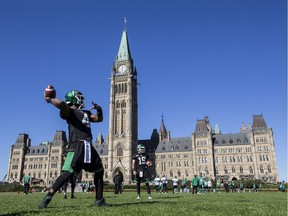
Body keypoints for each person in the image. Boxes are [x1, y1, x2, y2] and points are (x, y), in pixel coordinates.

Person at [38, 89, 109, 209]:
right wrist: (49, 99)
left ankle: (99, 200)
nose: (82, 99)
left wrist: (99, 109)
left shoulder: (85, 113)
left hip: (88, 146)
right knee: (68, 172)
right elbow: (61, 104)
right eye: (79, 97)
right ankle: (48, 197)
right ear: (74, 99)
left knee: (99, 170)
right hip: (77, 145)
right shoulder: (69, 112)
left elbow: (99, 119)